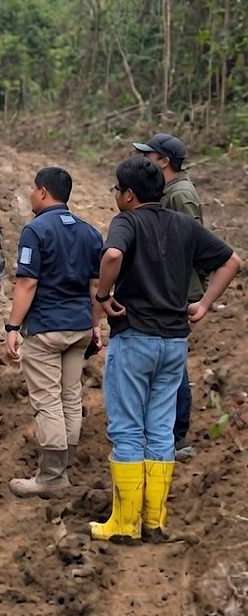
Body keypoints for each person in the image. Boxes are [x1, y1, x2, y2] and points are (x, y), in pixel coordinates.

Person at [90, 156, 240, 543]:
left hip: (134, 338)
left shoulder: (126, 221)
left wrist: (103, 295)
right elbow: (231, 261)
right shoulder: (183, 224)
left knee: (127, 430)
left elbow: (112, 255)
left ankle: (124, 525)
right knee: (160, 431)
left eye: (117, 190)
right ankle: (154, 523)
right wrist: (203, 304)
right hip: (173, 343)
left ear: (128, 194)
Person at [4, 166, 104, 498]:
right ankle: (65, 466)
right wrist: (95, 324)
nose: (31, 194)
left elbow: (27, 282)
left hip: (46, 328)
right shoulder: (90, 232)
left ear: (43, 192)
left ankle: (51, 476)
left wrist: (12, 326)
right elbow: (96, 286)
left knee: (47, 400)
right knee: (70, 397)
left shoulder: (35, 230)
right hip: (79, 328)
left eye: (33, 189)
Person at [133, 133, 203, 462]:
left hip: (177, 290)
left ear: (164, 161)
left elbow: (191, 242)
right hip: (173, 287)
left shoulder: (180, 195)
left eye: (149, 156)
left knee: (173, 364)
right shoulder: (170, 191)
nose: (144, 161)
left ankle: (177, 435)